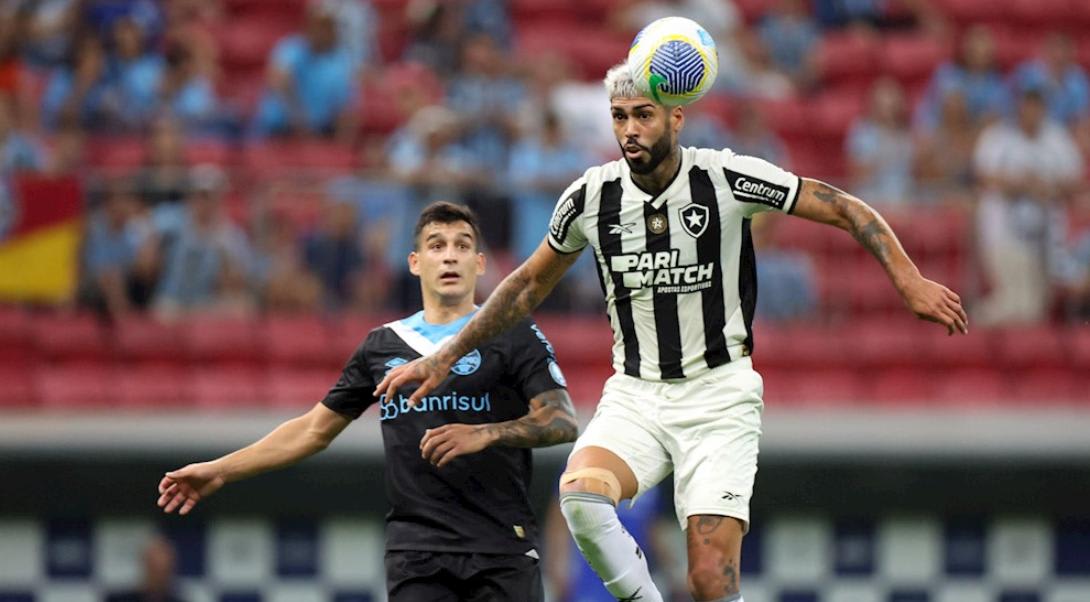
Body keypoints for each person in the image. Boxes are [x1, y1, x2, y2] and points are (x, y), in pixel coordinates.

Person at [376, 62, 968, 602]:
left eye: (643, 115)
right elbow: (527, 285)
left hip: (719, 397)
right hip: (636, 394)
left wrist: (910, 280)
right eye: (619, 117)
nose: (629, 129)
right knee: (581, 497)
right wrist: (447, 354)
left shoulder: (728, 178)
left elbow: (842, 206)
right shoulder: (590, 196)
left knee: (710, 580)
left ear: (676, 117)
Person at [157, 201, 578, 601]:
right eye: (436, 245)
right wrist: (219, 470)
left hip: (501, 547)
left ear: (480, 264)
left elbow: (561, 421)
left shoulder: (513, 332)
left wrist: (485, 433)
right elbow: (313, 430)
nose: (450, 256)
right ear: (415, 263)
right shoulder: (382, 345)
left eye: (462, 246)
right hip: (417, 553)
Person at [104, 534, 186, 602]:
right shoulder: (118, 599)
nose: (159, 577)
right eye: (154, 568)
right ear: (145, 565)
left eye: (164, 570)